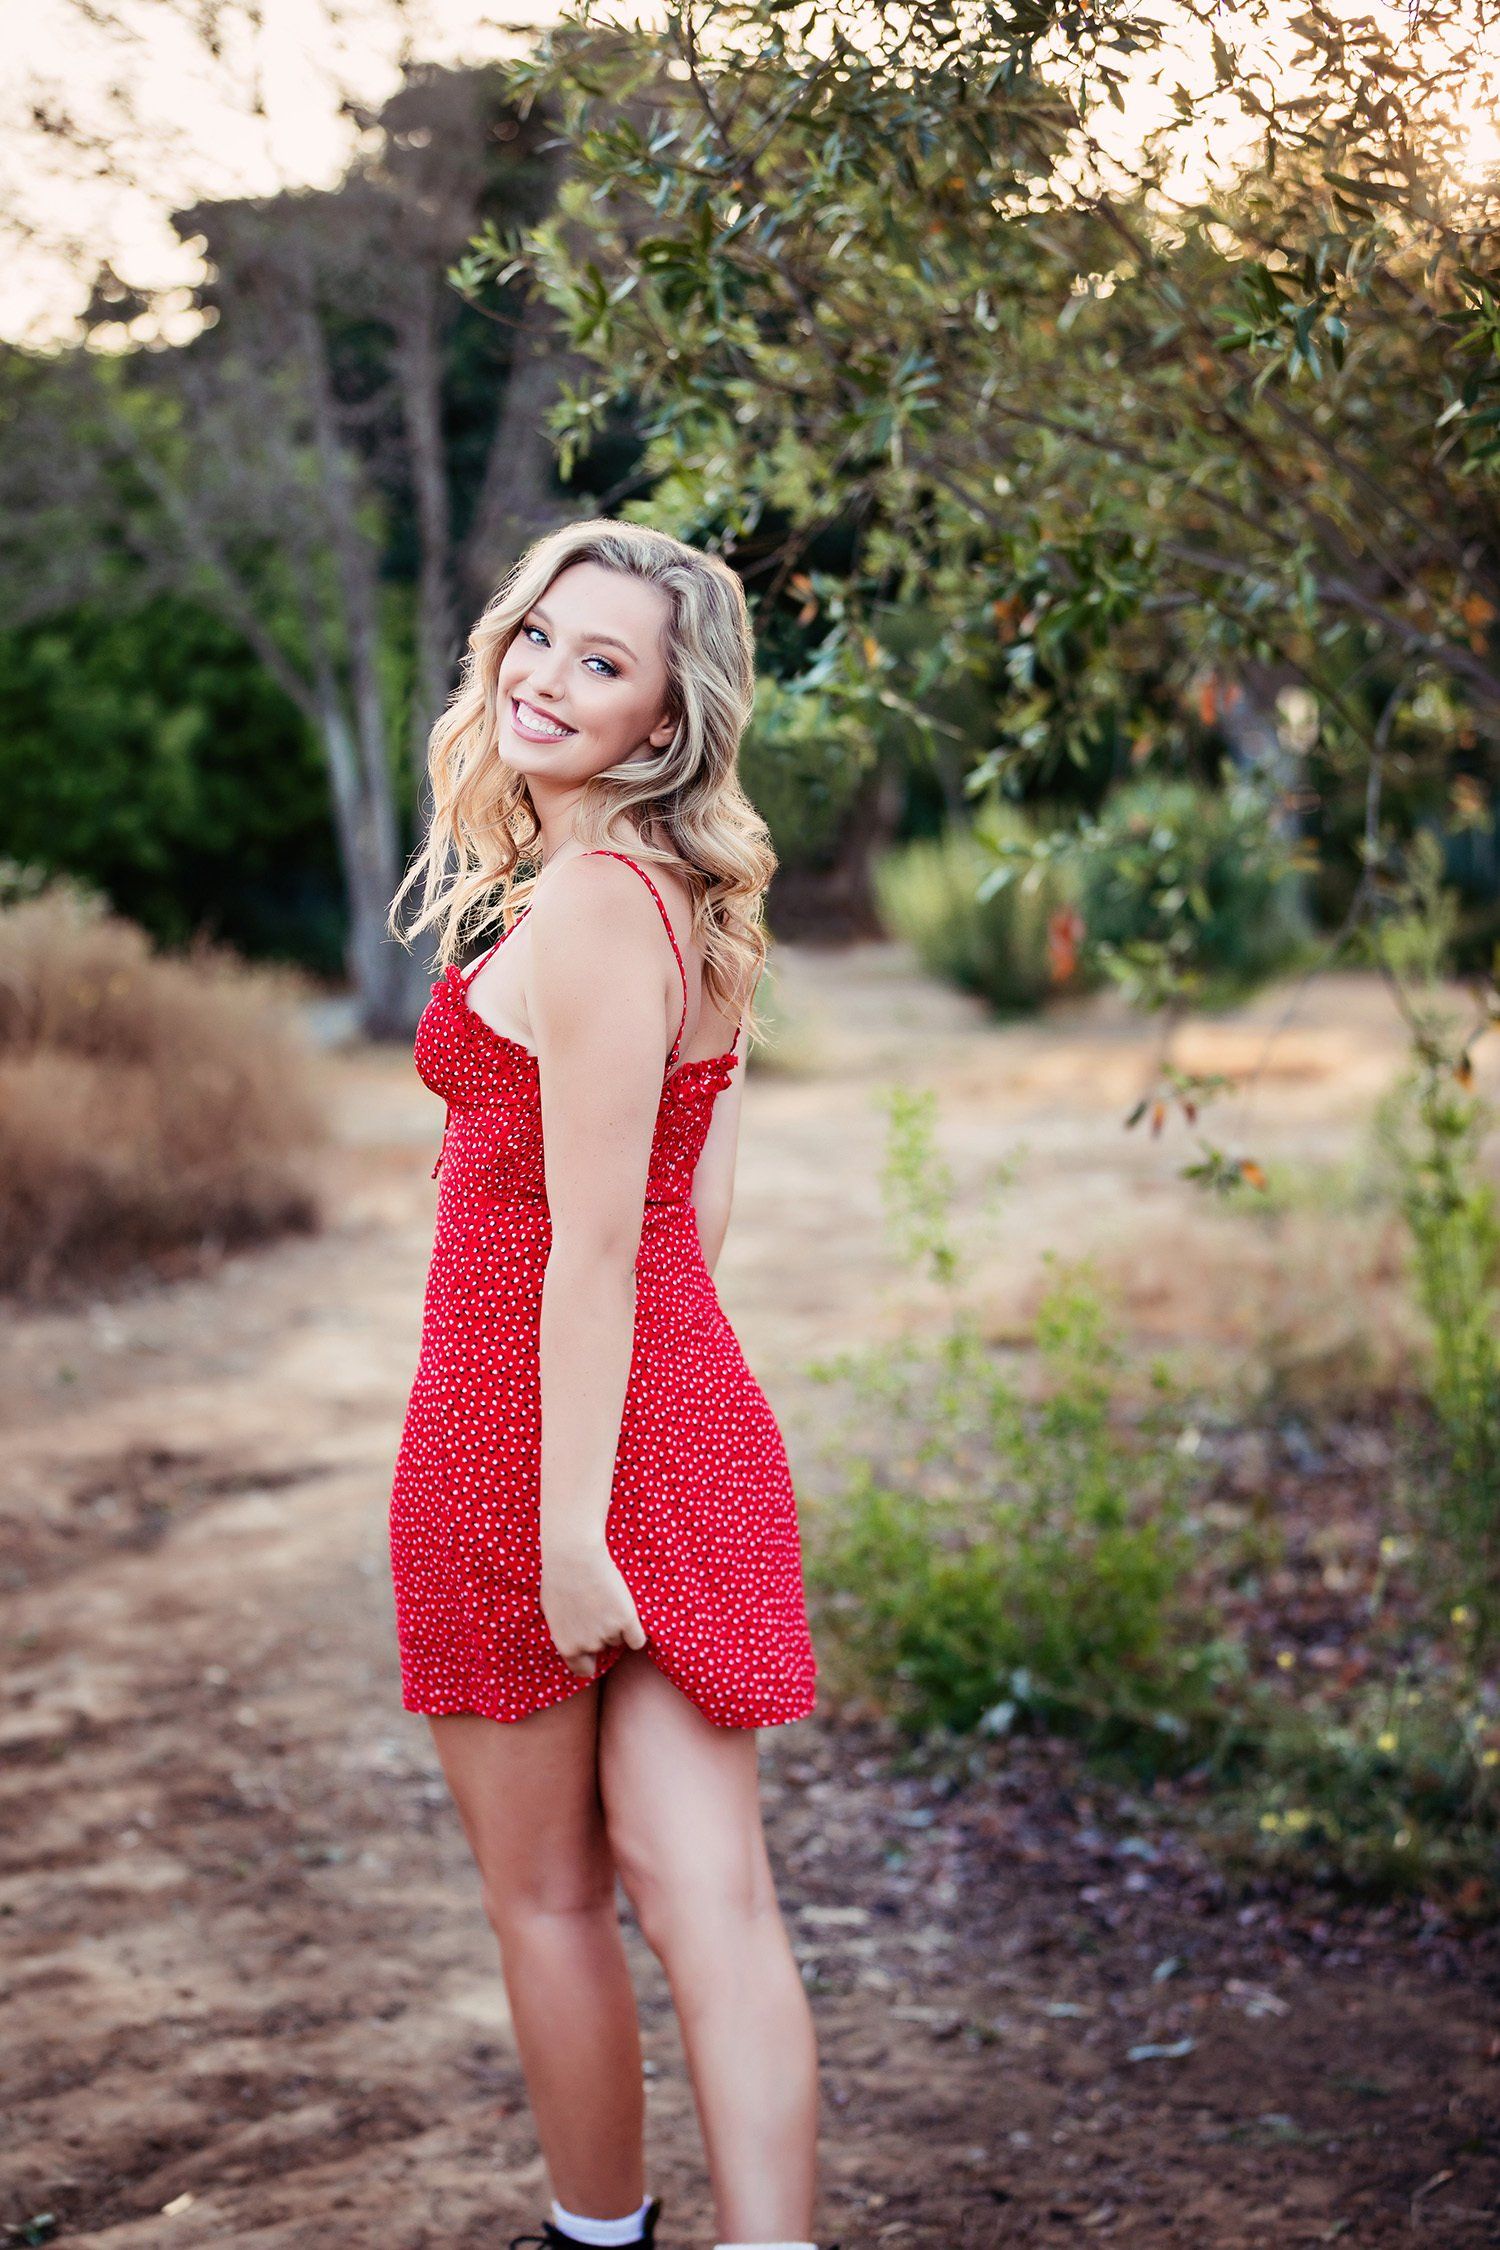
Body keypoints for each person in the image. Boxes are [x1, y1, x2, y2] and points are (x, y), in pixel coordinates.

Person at [386, 520, 837, 2250]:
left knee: (555, 1904)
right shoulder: (696, 907)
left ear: (664, 718)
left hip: (528, 1452)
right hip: (684, 1422)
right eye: (539, 635)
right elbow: (693, 1215)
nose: (546, 676)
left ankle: (602, 2241)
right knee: (718, 1904)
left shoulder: (586, 902)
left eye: (603, 661)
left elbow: (594, 1249)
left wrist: (572, 1529)